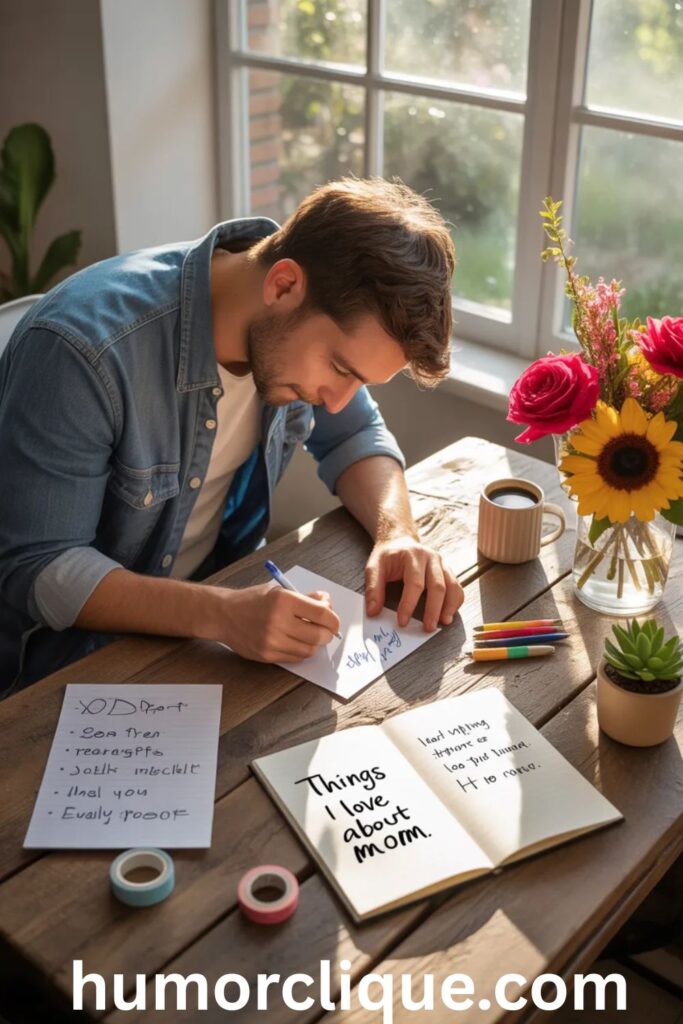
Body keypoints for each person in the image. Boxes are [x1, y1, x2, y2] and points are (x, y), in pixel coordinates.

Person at [0, 177, 463, 693]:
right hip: (58, 670)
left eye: (358, 380)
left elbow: (356, 436)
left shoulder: (291, 327)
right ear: (283, 285)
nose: (337, 399)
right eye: (339, 368)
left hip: (214, 632)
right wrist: (222, 615)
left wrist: (396, 532)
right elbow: (40, 567)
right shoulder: (84, 350)